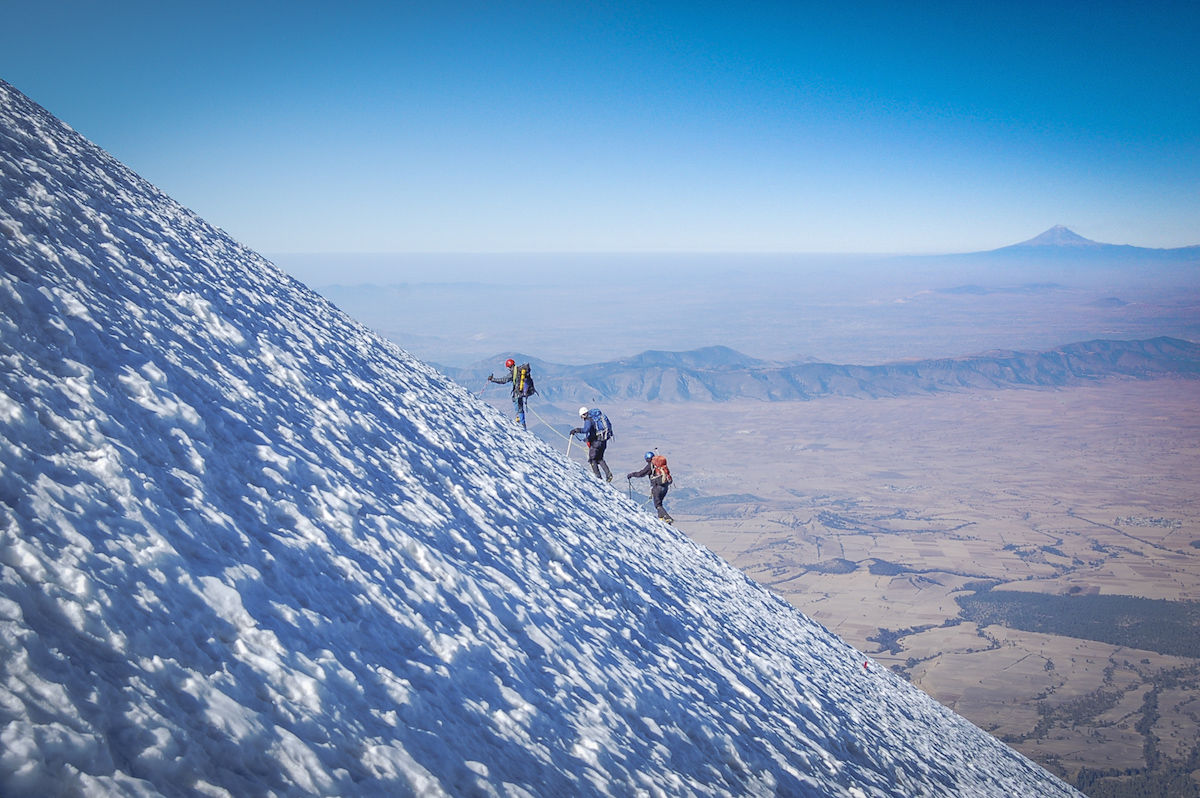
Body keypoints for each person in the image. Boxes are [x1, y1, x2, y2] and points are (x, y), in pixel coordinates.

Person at [627, 451, 674, 524]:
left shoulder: (651, 466)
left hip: (657, 487)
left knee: (657, 504)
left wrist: (631, 475)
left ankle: (667, 518)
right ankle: (661, 519)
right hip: (665, 486)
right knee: (659, 503)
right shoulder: (660, 466)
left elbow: (641, 473)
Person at [487, 358, 535, 429]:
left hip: (517, 393)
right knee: (520, 408)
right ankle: (521, 423)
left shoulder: (513, 373)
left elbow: (503, 380)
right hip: (521, 393)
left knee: (518, 409)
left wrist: (493, 379)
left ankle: (521, 425)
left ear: (509, 366)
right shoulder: (519, 371)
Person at [570, 406, 613, 482]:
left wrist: (576, 430)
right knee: (599, 458)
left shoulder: (588, 420)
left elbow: (586, 430)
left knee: (592, 459)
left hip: (596, 442)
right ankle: (608, 474)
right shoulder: (596, 417)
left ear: (583, 415)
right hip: (604, 440)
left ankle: (598, 478)